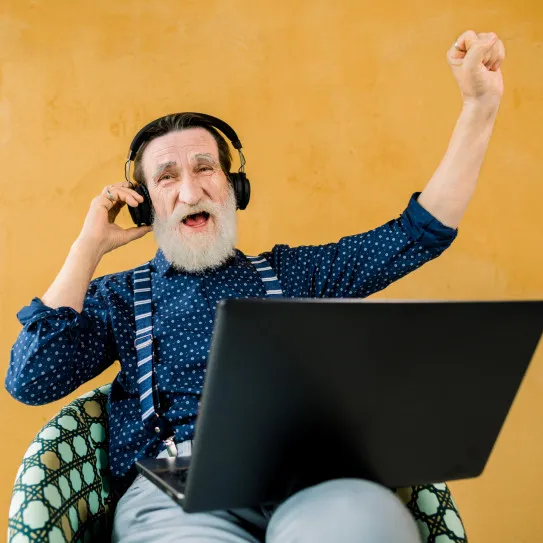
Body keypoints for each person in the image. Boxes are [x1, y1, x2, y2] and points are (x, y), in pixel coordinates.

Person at [6, 30, 505, 543]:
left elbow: (417, 234)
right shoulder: (120, 297)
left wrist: (479, 107)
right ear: (145, 203)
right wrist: (88, 246)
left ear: (232, 187)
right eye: (166, 178)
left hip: (311, 481)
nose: (190, 190)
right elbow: (30, 380)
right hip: (178, 489)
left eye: (205, 169)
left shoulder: (292, 275)